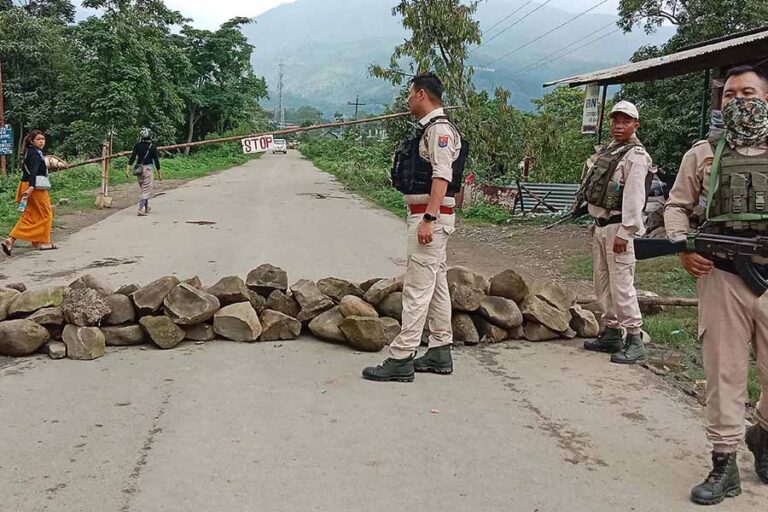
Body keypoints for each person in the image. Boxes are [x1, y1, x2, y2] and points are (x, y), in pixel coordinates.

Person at [665, 65, 768, 505]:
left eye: (748, 91)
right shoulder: (703, 153)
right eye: (729, 94)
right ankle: (724, 462)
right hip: (722, 276)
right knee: (724, 373)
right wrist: (684, 246)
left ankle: (761, 431)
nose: (738, 99)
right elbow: (676, 206)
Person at [362, 72, 467, 382]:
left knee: (417, 288)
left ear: (421, 94)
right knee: (435, 287)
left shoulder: (440, 131)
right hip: (426, 215)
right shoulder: (430, 129)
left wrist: (429, 219)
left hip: (429, 218)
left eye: (409, 94)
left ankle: (401, 357)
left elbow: (442, 176)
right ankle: (440, 349)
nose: (407, 100)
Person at [581, 101, 655, 364]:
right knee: (602, 282)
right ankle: (612, 331)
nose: (618, 125)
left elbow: (635, 197)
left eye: (625, 121)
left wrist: (627, 231)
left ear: (636, 125)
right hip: (602, 226)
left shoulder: (635, 156)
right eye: (615, 120)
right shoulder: (612, 151)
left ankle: (634, 337)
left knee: (622, 284)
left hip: (618, 229)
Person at [2, 130, 57, 255]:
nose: (41, 141)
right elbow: (33, 172)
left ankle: (11, 239)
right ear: (32, 141)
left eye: (43, 139)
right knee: (46, 214)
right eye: (38, 139)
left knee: (30, 215)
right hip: (35, 187)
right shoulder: (35, 154)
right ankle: (43, 242)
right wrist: (31, 187)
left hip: (26, 185)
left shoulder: (31, 152)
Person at [126, 127, 162, 216]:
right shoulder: (153, 146)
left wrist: (127, 169)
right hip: (148, 169)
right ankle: (140, 209)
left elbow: (132, 157)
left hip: (139, 170)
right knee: (146, 190)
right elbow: (156, 160)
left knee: (144, 189)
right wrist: (159, 173)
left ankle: (146, 208)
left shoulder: (137, 145)